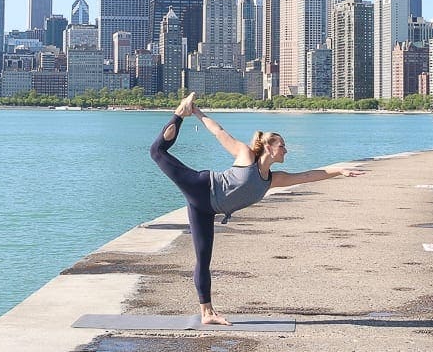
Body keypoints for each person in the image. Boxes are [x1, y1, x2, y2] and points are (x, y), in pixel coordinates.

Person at [149, 92, 363, 326]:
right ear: (269, 147)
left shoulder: (273, 179)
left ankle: (207, 313)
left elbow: (308, 176)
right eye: (282, 146)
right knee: (157, 152)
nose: (286, 150)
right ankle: (180, 113)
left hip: (207, 210)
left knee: (203, 259)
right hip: (201, 187)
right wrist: (196, 113)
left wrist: (339, 171)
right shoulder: (245, 155)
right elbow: (219, 132)